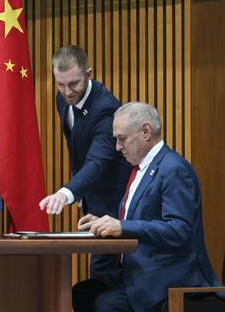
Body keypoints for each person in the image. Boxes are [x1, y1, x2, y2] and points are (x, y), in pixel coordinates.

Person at [72, 102, 221, 312]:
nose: (117, 147)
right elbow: (137, 217)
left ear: (145, 131)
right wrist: (104, 222)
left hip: (168, 274)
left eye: (121, 138)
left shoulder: (174, 169)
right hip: (139, 270)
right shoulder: (141, 168)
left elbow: (180, 230)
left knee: (105, 305)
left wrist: (123, 227)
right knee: (83, 292)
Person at [39, 45, 131, 275]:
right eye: (60, 84)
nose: (68, 92)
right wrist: (80, 191)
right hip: (90, 194)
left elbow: (98, 161)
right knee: (99, 273)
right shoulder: (63, 101)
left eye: (74, 84)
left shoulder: (106, 108)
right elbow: (76, 149)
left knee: (103, 272)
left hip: (112, 198)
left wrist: (67, 192)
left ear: (89, 74)